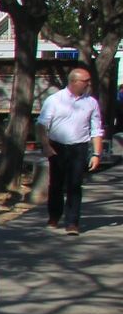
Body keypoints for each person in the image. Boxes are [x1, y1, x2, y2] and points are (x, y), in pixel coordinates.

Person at [36, 69, 103, 235]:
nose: (88, 84)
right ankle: (54, 216)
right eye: (85, 81)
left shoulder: (91, 102)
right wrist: (46, 145)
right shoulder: (55, 100)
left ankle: (72, 222)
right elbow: (41, 125)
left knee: (75, 185)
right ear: (74, 82)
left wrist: (96, 154)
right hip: (57, 146)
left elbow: (96, 130)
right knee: (56, 184)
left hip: (79, 147)